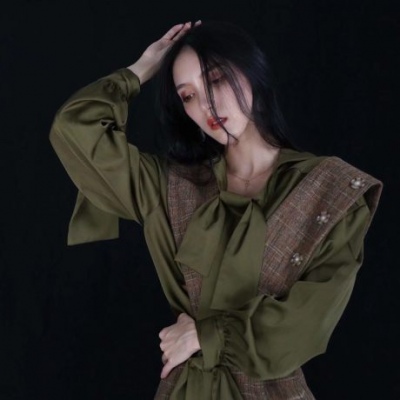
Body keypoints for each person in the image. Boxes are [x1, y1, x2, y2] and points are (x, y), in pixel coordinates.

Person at [50, 21, 382, 400]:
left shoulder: (330, 190)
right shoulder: (169, 187)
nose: (205, 105)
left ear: (253, 72)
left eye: (216, 79)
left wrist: (203, 336)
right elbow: (74, 129)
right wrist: (140, 70)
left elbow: (307, 321)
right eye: (188, 95)